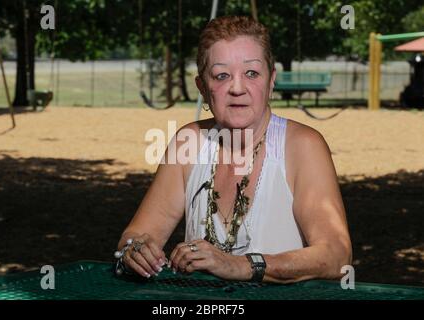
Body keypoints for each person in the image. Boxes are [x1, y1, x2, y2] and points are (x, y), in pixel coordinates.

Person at [116, 16, 352, 283]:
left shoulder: (303, 146)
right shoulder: (189, 141)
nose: (237, 88)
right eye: (222, 76)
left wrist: (243, 266)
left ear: (271, 80)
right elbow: (136, 235)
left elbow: (336, 255)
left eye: (251, 73)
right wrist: (135, 251)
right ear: (203, 88)